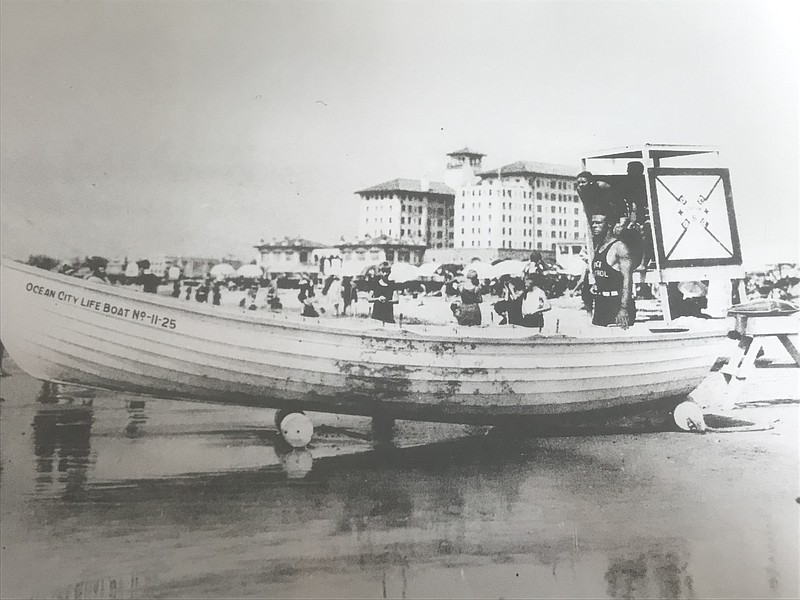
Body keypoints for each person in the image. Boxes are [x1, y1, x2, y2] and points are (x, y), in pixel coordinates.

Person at [590, 212, 636, 328]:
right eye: (593, 223)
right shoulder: (599, 247)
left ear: (609, 224)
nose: (594, 226)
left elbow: (627, 279)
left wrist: (624, 308)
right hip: (601, 304)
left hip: (616, 304)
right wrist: (597, 285)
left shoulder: (620, 248)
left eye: (598, 223)